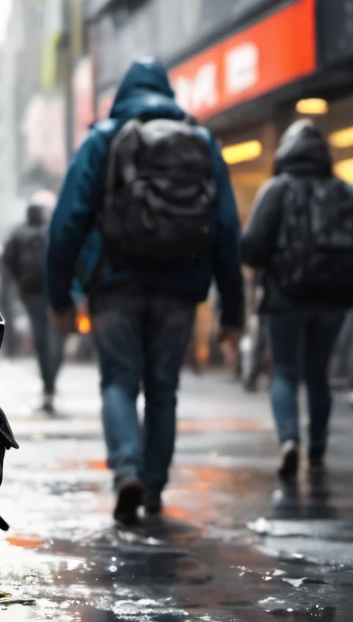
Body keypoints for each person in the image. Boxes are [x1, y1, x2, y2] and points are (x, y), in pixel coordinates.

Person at [45, 58, 244, 524]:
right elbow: (227, 229)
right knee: (163, 388)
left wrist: (60, 297)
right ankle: (153, 487)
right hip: (180, 285)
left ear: (122, 95)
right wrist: (232, 310)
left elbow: (67, 222)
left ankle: (128, 469)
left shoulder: (104, 138)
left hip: (116, 282)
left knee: (118, 380)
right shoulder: (203, 142)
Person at [242, 120, 353, 477]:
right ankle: (317, 449)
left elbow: (251, 246)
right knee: (318, 375)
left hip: (285, 296)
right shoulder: (343, 191)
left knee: (284, 370)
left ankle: (289, 440)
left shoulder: (276, 189)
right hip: (332, 299)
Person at [4, 193, 66, 414]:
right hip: (53, 290)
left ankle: (48, 381)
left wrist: (18, 283)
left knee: (41, 336)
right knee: (56, 336)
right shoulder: (52, 231)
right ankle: (51, 379)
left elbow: (7, 259)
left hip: (31, 293)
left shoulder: (19, 233)